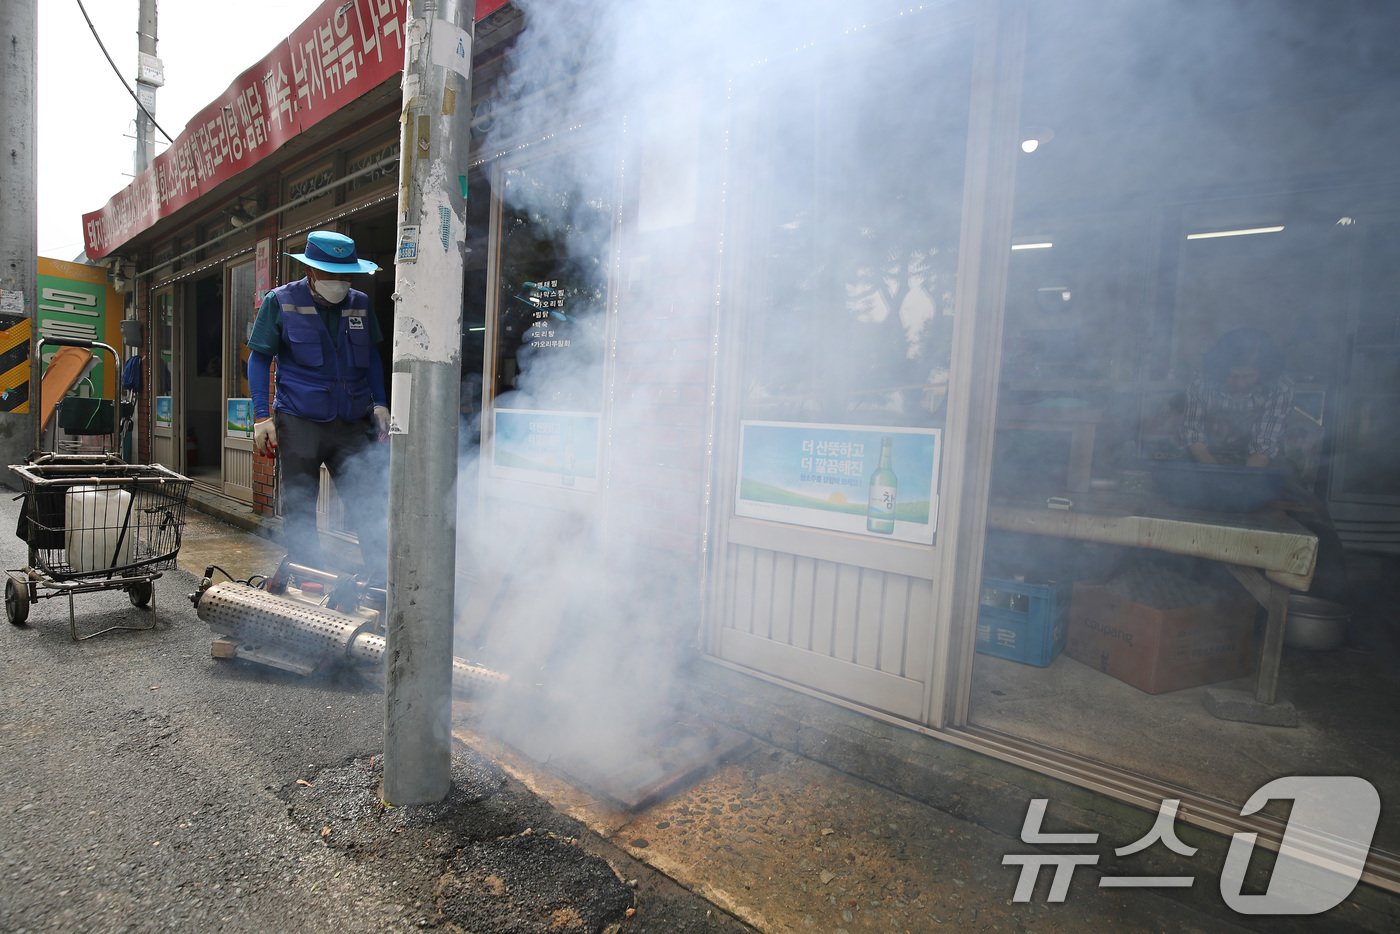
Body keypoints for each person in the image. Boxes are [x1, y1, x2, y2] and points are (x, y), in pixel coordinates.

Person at [246, 230, 390, 581]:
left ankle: (383, 580)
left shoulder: (359, 302)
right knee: (300, 503)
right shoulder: (280, 302)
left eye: (344, 275)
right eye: (330, 274)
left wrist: (381, 404)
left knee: (366, 500)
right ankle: (309, 576)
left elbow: (371, 357)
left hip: (352, 420)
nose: (338, 282)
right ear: (310, 271)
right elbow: (259, 359)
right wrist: (262, 417)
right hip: (299, 419)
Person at [1180, 328, 1348, 603]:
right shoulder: (1203, 380)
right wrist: (1217, 477)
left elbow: (1262, 448)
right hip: (1207, 457)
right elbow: (1193, 436)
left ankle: (1328, 597)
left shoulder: (1280, 386)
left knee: (1310, 512)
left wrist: (1243, 488)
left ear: (1263, 372)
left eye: (1248, 376)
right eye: (1233, 375)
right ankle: (1195, 583)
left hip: (1260, 462)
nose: (1239, 383)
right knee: (1189, 501)